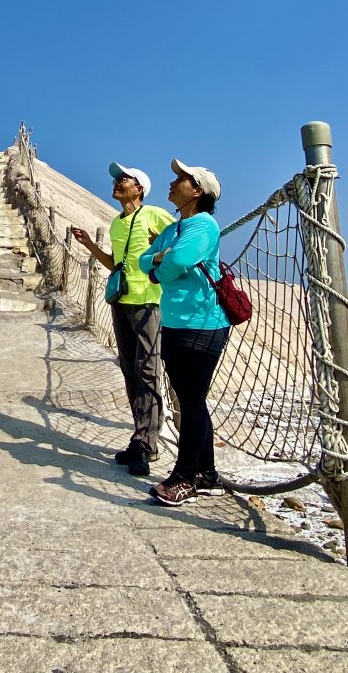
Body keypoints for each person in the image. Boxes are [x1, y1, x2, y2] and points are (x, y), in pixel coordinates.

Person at [71, 163, 174, 477]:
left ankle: (146, 443)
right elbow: (115, 263)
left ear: (139, 188)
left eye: (123, 179)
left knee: (148, 370)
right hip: (121, 302)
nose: (116, 182)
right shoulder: (116, 223)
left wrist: (160, 258)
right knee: (130, 370)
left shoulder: (154, 215)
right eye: (116, 179)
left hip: (148, 303)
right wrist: (89, 245)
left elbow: (179, 241)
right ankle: (141, 437)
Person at [139, 159, 229, 507]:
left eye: (182, 179)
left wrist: (161, 266)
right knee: (192, 400)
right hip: (177, 323)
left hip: (202, 324)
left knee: (190, 401)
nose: (173, 182)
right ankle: (207, 475)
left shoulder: (203, 225)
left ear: (198, 191)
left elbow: (173, 264)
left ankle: (185, 478)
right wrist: (161, 259)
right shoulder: (177, 228)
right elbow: (146, 260)